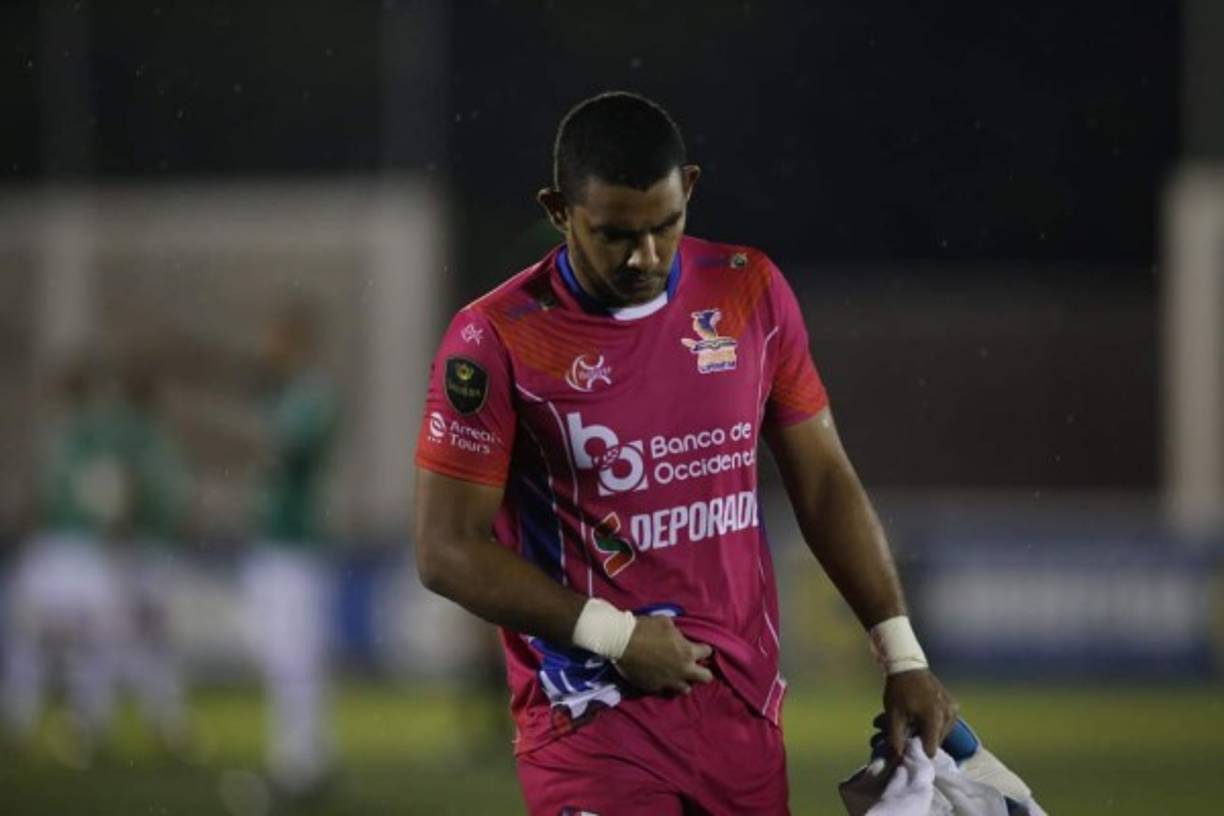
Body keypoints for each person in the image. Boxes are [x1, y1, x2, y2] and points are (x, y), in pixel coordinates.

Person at [413, 91, 957, 815]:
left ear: (690, 189)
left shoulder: (747, 290)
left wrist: (903, 654)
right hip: (593, 721)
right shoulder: (497, 338)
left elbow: (824, 481)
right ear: (557, 209)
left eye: (665, 226)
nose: (644, 256)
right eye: (613, 234)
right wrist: (616, 636)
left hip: (741, 715)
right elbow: (445, 548)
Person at [242, 307, 338, 797]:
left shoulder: (310, 395)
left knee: (293, 659)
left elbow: (289, 450)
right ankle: (308, 760)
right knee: (278, 656)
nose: (267, 348)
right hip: (274, 544)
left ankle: (300, 766)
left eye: (274, 337)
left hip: (295, 547)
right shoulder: (284, 395)